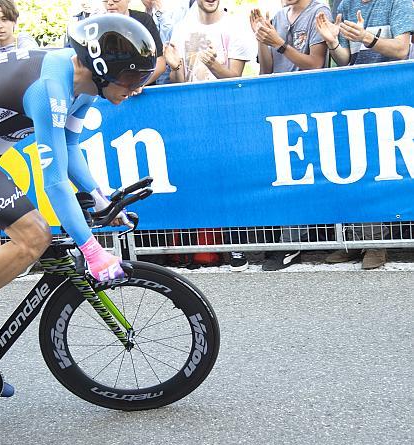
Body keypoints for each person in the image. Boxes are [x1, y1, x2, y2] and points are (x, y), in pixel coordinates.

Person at [0, 14, 156, 397]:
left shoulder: (83, 86)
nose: (136, 88)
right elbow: (56, 181)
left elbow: (72, 148)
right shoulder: (51, 88)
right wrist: (92, 250)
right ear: (100, 67)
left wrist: (100, 196)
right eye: (131, 78)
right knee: (34, 236)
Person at [316, 0, 414, 268]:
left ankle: (377, 245)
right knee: (355, 168)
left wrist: (367, 38)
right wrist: (334, 43)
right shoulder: (346, 5)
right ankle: (356, 241)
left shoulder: (398, 2)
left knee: (381, 171)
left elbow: (402, 49)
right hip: (357, 98)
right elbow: (347, 59)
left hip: (392, 98)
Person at [164, 0, 256, 271]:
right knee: (198, 178)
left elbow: (235, 79)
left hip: (226, 115)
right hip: (191, 116)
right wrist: (174, 68)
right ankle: (201, 250)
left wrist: (214, 64)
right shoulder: (181, 29)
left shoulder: (236, 26)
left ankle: (236, 246)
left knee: (230, 180)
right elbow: (179, 81)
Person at [249, 0, 332, 271]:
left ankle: (293, 241)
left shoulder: (319, 11)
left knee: (301, 170)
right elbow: (267, 68)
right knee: (285, 171)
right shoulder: (279, 15)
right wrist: (262, 38)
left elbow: (316, 64)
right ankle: (286, 239)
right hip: (280, 102)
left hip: (308, 101)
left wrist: (279, 42)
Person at [102, 0, 166, 85]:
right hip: (110, 92)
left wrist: (138, 84)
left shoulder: (144, 21)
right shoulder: (98, 27)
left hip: (142, 89)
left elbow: (160, 62)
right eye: (105, 0)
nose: (110, 3)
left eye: (116, 0)